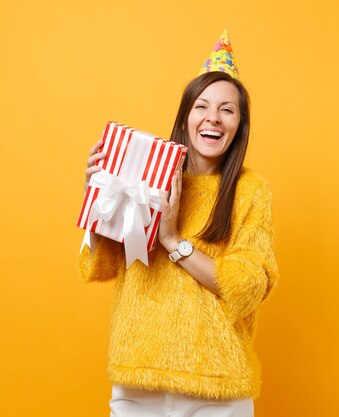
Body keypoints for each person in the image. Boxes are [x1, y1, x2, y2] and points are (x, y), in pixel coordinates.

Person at [79, 30, 279, 417]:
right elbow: (102, 263)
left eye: (227, 109)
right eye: (202, 106)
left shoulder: (251, 192)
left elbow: (249, 285)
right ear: (186, 116)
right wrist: (100, 198)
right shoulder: (142, 174)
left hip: (217, 388)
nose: (213, 118)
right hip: (138, 381)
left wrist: (172, 240)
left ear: (240, 123)